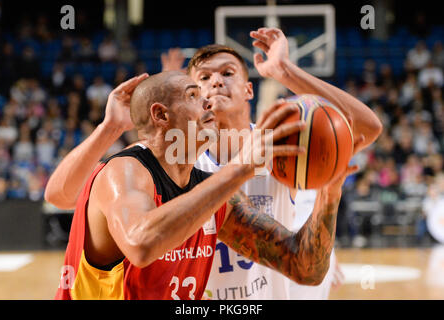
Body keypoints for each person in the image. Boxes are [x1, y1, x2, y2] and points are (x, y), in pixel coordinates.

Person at [46, 27, 381, 300]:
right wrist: (110, 127)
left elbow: (304, 266)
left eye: (225, 74)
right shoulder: (128, 168)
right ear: (162, 115)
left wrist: (330, 192)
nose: (210, 92)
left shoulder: (245, 164)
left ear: (249, 89)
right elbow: (139, 241)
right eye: (196, 89)